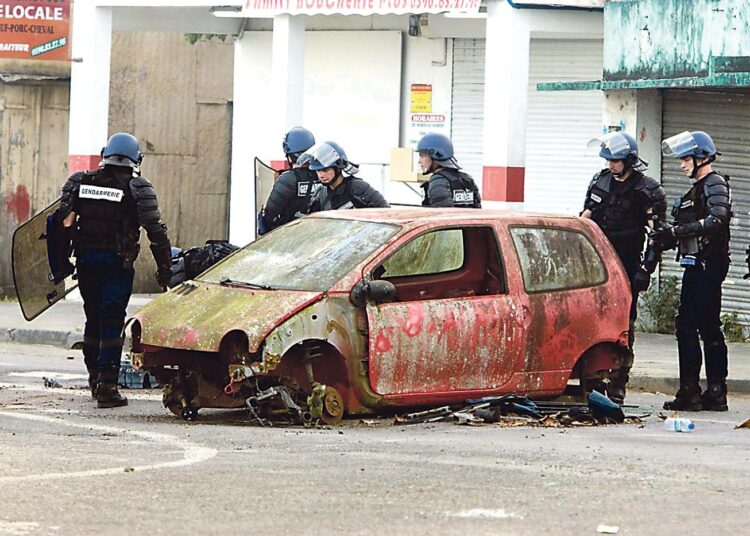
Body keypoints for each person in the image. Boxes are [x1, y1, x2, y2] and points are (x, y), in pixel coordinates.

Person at [58, 132, 172, 408]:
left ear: (105, 154)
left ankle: (95, 377)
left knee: (93, 318)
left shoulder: (79, 181)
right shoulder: (138, 188)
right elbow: (155, 231)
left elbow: (60, 223)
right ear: (135, 159)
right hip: (117, 265)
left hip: (85, 262)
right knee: (111, 321)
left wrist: (59, 265)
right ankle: (107, 386)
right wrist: (166, 268)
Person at [581, 131, 666, 404]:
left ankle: (619, 382)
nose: (610, 166)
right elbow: (585, 218)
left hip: (628, 264)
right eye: (608, 160)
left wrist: (646, 269)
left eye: (615, 161)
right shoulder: (600, 181)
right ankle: (592, 381)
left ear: (629, 160)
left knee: (624, 326)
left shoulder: (647, 190)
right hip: (597, 264)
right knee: (593, 322)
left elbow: (658, 235)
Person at [652, 130, 731, 411]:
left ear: (701, 157)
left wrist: (678, 230)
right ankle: (713, 392)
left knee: (688, 325)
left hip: (707, 264)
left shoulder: (714, 183)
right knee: (708, 326)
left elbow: (717, 219)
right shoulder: (699, 187)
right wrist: (668, 235)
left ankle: (691, 392)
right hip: (700, 263)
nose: (682, 164)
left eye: (686, 159)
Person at [259, 126, 318, 234]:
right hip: (317, 234)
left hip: (290, 237)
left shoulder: (288, 179)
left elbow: (270, 214)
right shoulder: (323, 175)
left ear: (289, 155)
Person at [305, 141, 389, 211]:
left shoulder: (357, 187)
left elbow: (386, 211)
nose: (321, 175)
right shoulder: (320, 193)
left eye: (326, 170)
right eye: (318, 170)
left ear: (338, 168)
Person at [416, 133, 481, 208]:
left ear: (435, 155)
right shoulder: (467, 179)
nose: (419, 161)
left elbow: (442, 215)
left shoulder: (438, 181)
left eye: (422, 156)